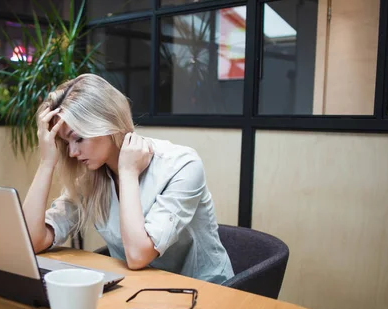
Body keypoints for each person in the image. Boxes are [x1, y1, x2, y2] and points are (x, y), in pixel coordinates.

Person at [22, 73, 234, 284]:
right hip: (141, 289)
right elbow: (31, 241)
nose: (72, 153)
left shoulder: (182, 165)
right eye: (66, 143)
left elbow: (137, 255)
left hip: (207, 290)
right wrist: (46, 163)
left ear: (107, 123)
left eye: (78, 138)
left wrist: (128, 173)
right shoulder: (92, 177)